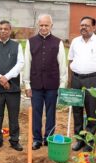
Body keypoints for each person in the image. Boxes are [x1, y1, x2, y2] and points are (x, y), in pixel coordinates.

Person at [23, 14, 68, 150]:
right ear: (38, 25)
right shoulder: (30, 42)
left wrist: (62, 85)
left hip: (52, 85)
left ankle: (48, 138)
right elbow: (27, 64)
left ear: (51, 26)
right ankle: (36, 139)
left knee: (51, 113)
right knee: (36, 112)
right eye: (41, 25)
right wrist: (27, 84)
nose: (43, 28)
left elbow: (62, 66)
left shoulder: (58, 42)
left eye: (46, 25)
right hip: (35, 85)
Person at [68, 16, 96, 152]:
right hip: (76, 80)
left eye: (86, 25)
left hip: (92, 80)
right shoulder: (75, 42)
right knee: (77, 110)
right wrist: (70, 81)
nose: (83, 27)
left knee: (92, 112)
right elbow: (70, 61)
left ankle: (89, 142)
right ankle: (79, 140)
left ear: (93, 27)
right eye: (81, 25)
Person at [0, 20, 24, 152]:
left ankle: (14, 140)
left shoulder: (16, 46)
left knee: (13, 116)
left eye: (5, 29)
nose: (3, 31)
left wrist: (6, 77)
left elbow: (20, 64)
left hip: (13, 88)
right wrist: (0, 78)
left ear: (10, 30)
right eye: (0, 28)